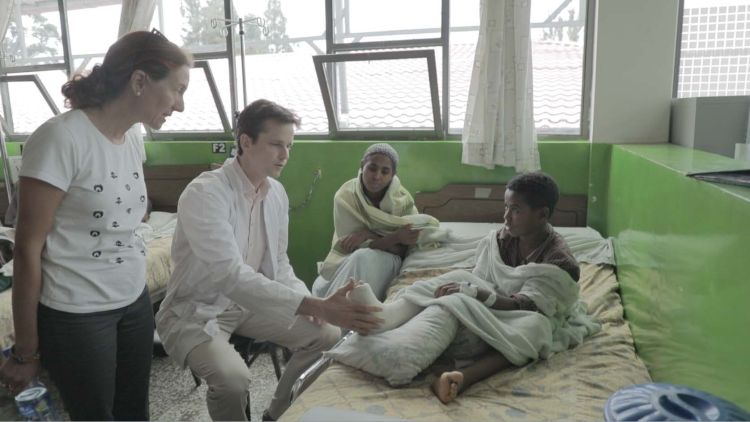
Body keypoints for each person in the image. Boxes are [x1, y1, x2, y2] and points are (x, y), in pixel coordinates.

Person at [0, 29, 191, 420]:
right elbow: (26, 248)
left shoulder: (132, 137)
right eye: (177, 90)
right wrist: (26, 350)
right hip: (78, 314)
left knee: (134, 412)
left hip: (133, 301)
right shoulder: (61, 138)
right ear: (139, 81)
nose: (181, 105)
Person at [155, 99, 382, 421]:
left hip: (248, 305)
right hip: (197, 309)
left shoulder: (275, 192)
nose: (285, 155)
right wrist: (314, 305)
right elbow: (229, 276)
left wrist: (313, 304)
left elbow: (278, 262)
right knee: (234, 380)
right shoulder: (205, 194)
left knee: (326, 335)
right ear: (245, 142)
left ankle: (276, 414)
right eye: (276, 144)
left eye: (289, 145)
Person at [430, 171, 580, 404]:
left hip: (526, 312)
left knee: (536, 329)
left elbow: (527, 305)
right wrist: (471, 291)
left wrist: (474, 293)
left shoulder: (559, 262)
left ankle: (462, 378)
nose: (506, 217)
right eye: (506, 207)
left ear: (542, 215)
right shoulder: (502, 239)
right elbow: (479, 277)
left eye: (516, 210)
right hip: (492, 302)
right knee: (445, 287)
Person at [312, 143, 423, 301]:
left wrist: (369, 235)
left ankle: (335, 316)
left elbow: (404, 251)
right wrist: (394, 238)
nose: (377, 176)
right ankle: (330, 310)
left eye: (385, 171)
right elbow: (350, 245)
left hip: (389, 259)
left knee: (362, 257)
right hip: (348, 256)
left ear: (393, 174)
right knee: (320, 285)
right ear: (362, 165)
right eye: (372, 168)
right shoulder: (345, 197)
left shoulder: (402, 201)